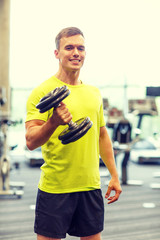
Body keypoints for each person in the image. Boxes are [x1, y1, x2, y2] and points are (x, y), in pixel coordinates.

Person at [25, 27, 122, 240]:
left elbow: (101, 135)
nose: (76, 53)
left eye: (81, 48)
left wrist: (114, 175)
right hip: (56, 187)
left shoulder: (94, 93)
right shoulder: (42, 92)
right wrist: (54, 122)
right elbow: (31, 141)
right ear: (56, 53)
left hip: (90, 186)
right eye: (69, 47)